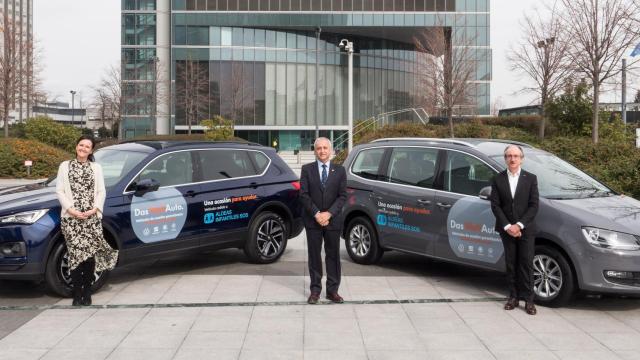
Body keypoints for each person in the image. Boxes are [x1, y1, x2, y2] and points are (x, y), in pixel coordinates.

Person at [55, 135, 118, 306]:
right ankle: (77, 294)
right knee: (75, 256)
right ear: (76, 146)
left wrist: (95, 209)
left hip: (91, 218)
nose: (83, 148)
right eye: (81, 145)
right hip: (71, 219)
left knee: (89, 257)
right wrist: (71, 210)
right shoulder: (64, 166)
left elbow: (101, 191)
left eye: (87, 146)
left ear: (91, 151)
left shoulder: (96, 167)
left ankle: (87, 292)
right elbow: (60, 191)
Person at [490, 144, 539, 315]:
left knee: (526, 263)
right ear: (505, 159)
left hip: (526, 229)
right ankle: (513, 297)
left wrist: (519, 225)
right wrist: (508, 226)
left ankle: (529, 300)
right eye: (509, 156)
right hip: (506, 229)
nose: (512, 159)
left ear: (521, 159)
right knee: (511, 263)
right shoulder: (497, 179)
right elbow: (495, 205)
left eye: (516, 156)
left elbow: (534, 206)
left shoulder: (531, 178)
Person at [299, 137, 347, 304]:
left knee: (333, 255)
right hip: (313, 221)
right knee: (314, 256)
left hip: (333, 221)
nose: (322, 151)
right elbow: (303, 195)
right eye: (319, 148)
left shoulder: (340, 171)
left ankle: (332, 291)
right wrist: (317, 214)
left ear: (331, 150)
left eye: (325, 148)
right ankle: (315, 290)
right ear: (315, 151)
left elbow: (342, 196)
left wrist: (329, 214)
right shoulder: (307, 169)